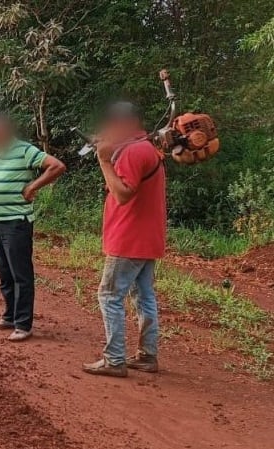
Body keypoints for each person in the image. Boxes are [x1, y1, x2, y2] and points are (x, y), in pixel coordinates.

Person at [83, 102, 166, 377]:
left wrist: (104, 160)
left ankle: (114, 360)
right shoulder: (145, 146)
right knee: (143, 296)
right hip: (146, 238)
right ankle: (147, 355)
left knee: (109, 295)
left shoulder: (132, 152)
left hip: (129, 239)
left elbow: (122, 194)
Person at [0, 114, 66, 342]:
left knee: (21, 275)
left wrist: (33, 186)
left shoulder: (24, 150)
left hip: (16, 222)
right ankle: (9, 316)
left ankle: (23, 324)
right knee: (4, 274)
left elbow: (56, 166)